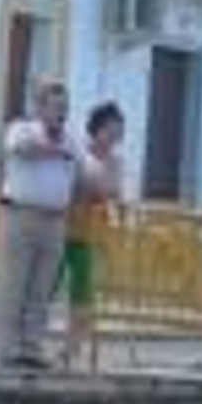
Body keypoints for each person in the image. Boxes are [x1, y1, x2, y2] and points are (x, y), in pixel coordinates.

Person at [0, 78, 80, 372]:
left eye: (65, 107)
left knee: (42, 288)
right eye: (56, 107)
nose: (62, 113)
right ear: (39, 107)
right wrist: (54, 149)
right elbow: (22, 148)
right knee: (14, 284)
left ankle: (32, 347)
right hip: (21, 215)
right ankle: (8, 349)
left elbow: (86, 171)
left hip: (55, 219)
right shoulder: (21, 129)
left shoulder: (71, 139)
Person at [61, 101, 125, 370]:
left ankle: (72, 349)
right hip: (63, 228)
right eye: (110, 129)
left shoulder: (115, 161)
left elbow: (112, 191)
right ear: (96, 129)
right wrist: (96, 186)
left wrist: (98, 187)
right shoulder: (78, 153)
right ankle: (35, 343)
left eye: (119, 131)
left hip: (90, 235)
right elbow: (77, 185)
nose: (115, 136)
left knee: (82, 295)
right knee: (46, 288)